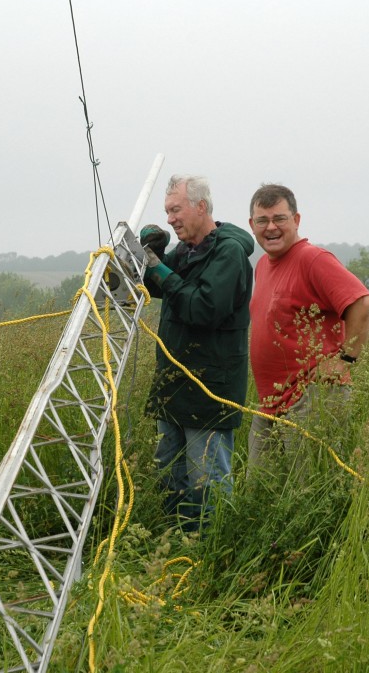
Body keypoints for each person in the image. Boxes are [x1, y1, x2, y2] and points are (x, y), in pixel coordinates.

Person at [139, 174, 254, 532]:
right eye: (167, 212)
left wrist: (159, 268)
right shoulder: (187, 249)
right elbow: (161, 288)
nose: (171, 219)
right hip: (174, 382)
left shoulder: (228, 252)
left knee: (207, 479)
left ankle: (210, 554)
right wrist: (151, 258)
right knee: (169, 473)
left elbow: (203, 308)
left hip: (209, 386)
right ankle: (174, 547)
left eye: (176, 210)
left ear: (200, 207)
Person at [246, 183, 369, 476]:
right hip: (270, 403)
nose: (271, 227)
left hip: (311, 398)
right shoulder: (263, 264)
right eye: (262, 220)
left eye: (279, 218)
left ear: (296, 220)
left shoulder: (313, 259)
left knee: (306, 493)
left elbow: (362, 303)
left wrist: (346, 359)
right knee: (258, 493)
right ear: (252, 225)